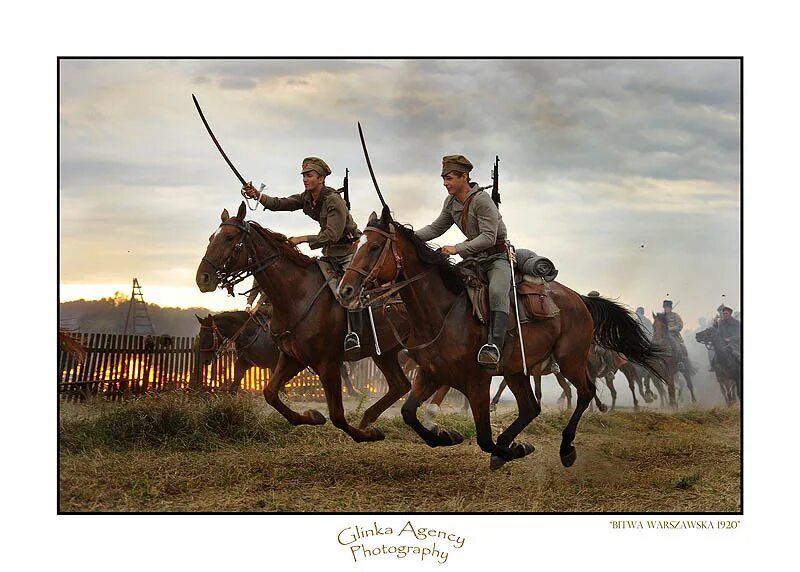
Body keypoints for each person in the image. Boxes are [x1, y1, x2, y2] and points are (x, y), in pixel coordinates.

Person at [242, 157, 363, 351]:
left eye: (310, 175)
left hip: (350, 252)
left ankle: (354, 336)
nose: (305, 179)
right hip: (330, 253)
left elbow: (332, 235)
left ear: (321, 179)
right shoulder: (306, 198)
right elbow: (279, 203)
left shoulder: (334, 201)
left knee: (350, 292)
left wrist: (302, 239)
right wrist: (257, 195)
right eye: (304, 176)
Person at [415, 154, 511, 368]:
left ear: (464, 177)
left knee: (497, 292)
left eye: (449, 178)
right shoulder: (451, 202)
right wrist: (406, 236)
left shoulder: (482, 201)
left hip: (496, 258)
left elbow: (489, 237)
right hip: (474, 260)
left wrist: (456, 249)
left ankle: (494, 347)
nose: (445, 183)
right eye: (444, 178)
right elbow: (435, 228)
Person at [662, 300, 691, 371]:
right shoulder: (661, 316)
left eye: (667, 307)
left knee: (678, 347)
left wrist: (671, 328)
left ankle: (680, 362)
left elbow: (680, 325)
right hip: (663, 336)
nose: (666, 309)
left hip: (673, 335)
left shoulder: (675, 315)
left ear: (671, 308)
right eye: (665, 307)